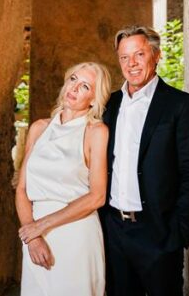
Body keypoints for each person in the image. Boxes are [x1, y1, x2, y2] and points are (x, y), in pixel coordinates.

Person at [101, 25, 189, 296]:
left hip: (158, 233)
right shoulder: (108, 105)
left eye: (139, 54)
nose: (131, 64)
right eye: (124, 57)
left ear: (156, 55)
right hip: (113, 231)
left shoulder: (180, 105)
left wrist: (178, 232)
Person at [16, 61, 113, 296]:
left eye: (85, 86)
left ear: (94, 99)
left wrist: (42, 226)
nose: (75, 88)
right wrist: (33, 237)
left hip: (76, 234)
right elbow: (21, 189)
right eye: (73, 80)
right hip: (35, 237)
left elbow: (97, 197)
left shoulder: (96, 132)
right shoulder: (39, 128)